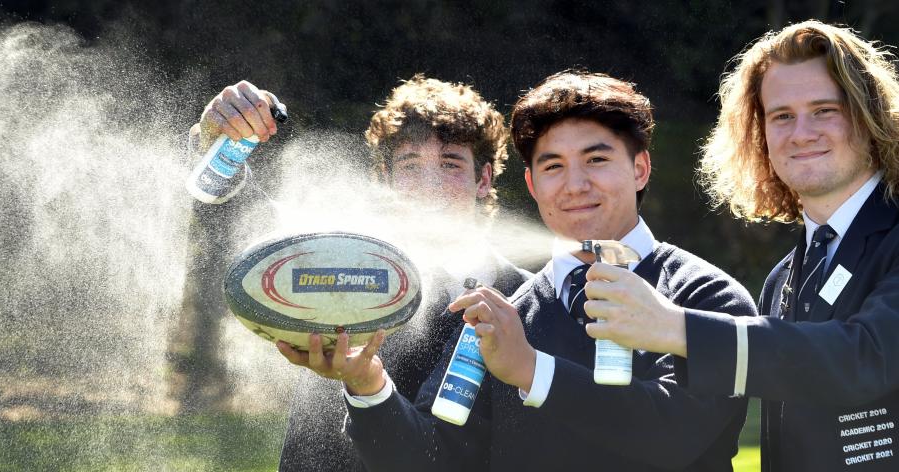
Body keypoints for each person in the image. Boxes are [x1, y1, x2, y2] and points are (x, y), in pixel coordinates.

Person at [583, 21, 899, 471]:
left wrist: (675, 327)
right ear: (760, 136)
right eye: (781, 115)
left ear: (872, 119)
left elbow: (863, 358)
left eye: (824, 110)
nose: (801, 132)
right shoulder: (782, 279)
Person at [321, 71, 756, 471]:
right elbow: (435, 458)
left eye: (596, 160)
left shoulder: (707, 295)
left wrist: (531, 370)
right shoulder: (506, 317)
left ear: (640, 169)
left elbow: (673, 436)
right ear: (531, 184)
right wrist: (368, 384)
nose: (575, 184)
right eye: (553, 166)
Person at [189, 75, 531, 471]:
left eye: (450, 163)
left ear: (483, 179)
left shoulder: (521, 297)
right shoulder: (338, 259)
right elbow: (242, 219)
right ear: (385, 178)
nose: (430, 184)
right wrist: (219, 146)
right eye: (410, 164)